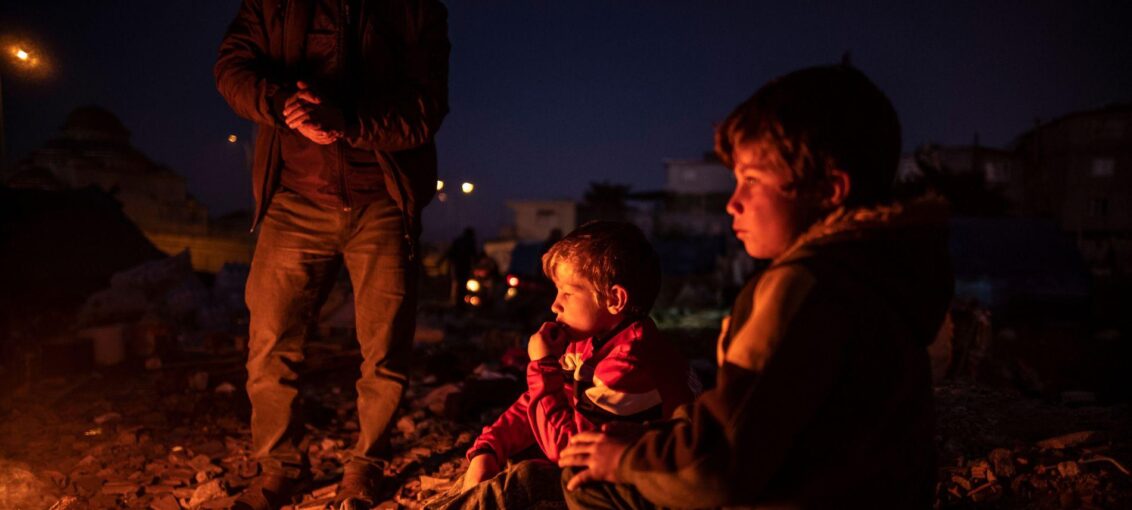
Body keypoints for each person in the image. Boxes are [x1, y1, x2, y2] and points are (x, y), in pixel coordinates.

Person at [558, 65, 953, 509]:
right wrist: (656, 438)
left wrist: (625, 458)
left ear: (829, 190)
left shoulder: (800, 286)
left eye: (751, 180)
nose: (733, 203)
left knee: (588, 482)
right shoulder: (881, 271)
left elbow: (720, 465)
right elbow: (765, 421)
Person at [213, 0, 449, 508]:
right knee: (271, 344)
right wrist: (283, 107)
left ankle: (366, 465)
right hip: (294, 202)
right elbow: (232, 69)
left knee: (383, 349)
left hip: (382, 203)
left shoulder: (415, 11)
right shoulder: (273, 5)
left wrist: (348, 122)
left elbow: (425, 110)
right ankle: (279, 467)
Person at [428, 221, 697, 509]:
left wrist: (543, 364)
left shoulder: (632, 360)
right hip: (608, 467)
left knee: (523, 479)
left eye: (567, 293)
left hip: (653, 489)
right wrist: (489, 448)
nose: (555, 305)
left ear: (615, 299)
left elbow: (568, 451)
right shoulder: (592, 339)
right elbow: (539, 403)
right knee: (502, 464)